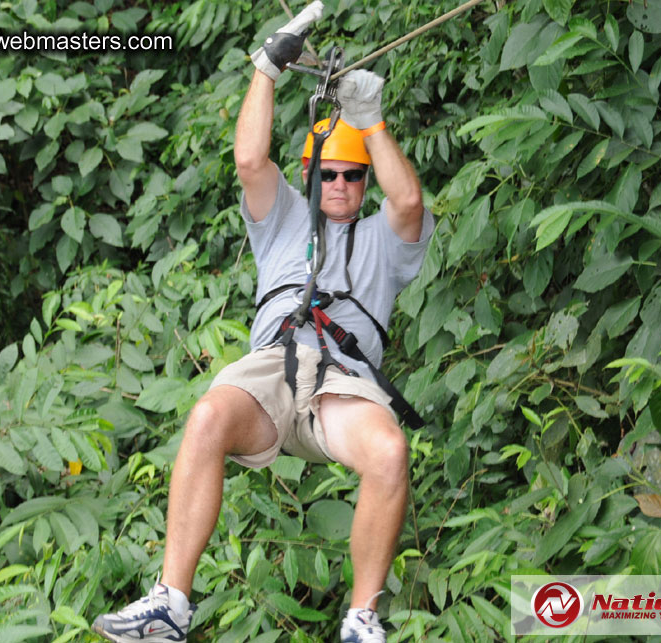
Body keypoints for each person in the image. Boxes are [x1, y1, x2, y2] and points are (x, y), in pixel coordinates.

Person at [92, 3, 434, 641]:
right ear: (310, 174)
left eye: (352, 176)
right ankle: (170, 601)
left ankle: (362, 619)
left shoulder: (384, 243)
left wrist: (371, 123)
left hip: (344, 385)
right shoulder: (282, 221)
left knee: (390, 452)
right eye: (327, 173)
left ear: (364, 184)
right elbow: (251, 160)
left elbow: (409, 199)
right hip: (273, 371)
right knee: (208, 416)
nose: (338, 185)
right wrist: (267, 70)